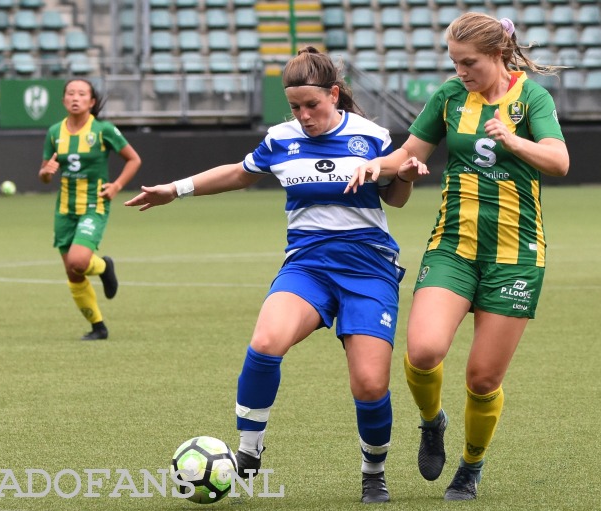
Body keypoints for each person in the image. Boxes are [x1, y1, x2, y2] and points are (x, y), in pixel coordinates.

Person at [125, 47, 415, 504]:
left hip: (369, 267)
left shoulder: (372, 136)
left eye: (312, 106)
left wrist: (405, 174)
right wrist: (174, 190)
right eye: (295, 107)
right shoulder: (281, 139)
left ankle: (373, 469)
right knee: (265, 342)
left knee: (370, 383)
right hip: (308, 265)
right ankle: (248, 452)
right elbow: (239, 174)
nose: (303, 116)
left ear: (334, 95)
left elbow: (396, 198)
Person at [347, 13, 570, 501]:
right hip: (453, 246)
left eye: (468, 62)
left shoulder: (531, 97)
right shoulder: (449, 97)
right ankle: (432, 422)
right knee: (423, 352)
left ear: (497, 54)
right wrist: (377, 165)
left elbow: (559, 160)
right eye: (454, 61)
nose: (460, 70)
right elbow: (408, 150)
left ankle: (470, 466)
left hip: (515, 255)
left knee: (483, 378)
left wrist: (513, 139)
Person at [38, 78, 142, 340]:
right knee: (73, 274)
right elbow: (45, 174)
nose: (75, 97)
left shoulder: (103, 129)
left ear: (91, 102)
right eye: (70, 93)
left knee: (78, 261)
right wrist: (45, 173)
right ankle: (98, 326)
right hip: (64, 209)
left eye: (82, 94)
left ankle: (105, 268)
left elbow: (133, 159)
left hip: (93, 205)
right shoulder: (54, 132)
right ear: (63, 100)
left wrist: (117, 185)